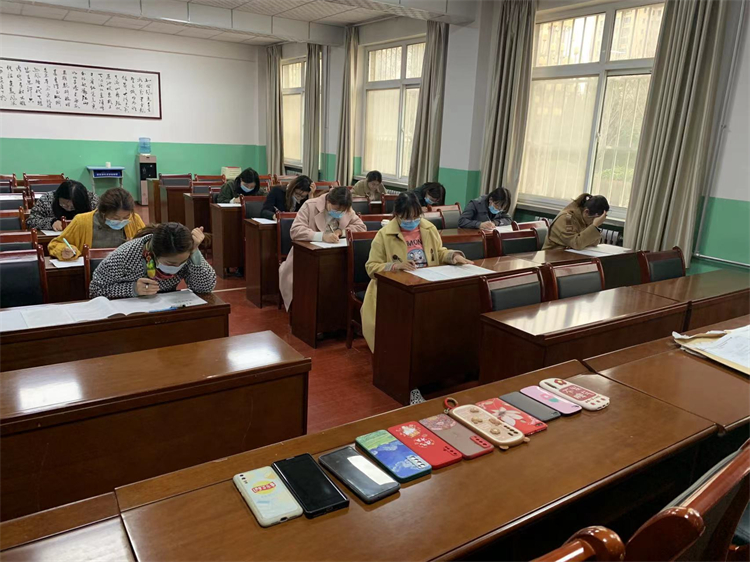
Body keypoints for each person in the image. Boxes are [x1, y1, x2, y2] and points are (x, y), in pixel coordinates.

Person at [361, 192, 471, 358]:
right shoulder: (383, 235)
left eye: (416, 217)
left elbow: (439, 251)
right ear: (397, 215)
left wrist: (453, 256)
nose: (412, 221)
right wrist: (395, 266)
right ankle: (398, 357)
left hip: (427, 283)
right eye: (407, 218)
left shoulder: (428, 228)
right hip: (395, 287)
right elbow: (371, 267)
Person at [278, 186, 366, 310]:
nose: (339, 213)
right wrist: (322, 236)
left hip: (335, 257)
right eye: (336, 210)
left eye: (342, 211)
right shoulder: (310, 206)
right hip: (306, 256)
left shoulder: (346, 208)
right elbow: (296, 230)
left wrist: (341, 232)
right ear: (328, 201)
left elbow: (361, 228)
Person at [90, 222, 216, 298]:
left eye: (182, 262)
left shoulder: (185, 253)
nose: (177, 266)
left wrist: (194, 252)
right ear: (154, 254)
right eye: (171, 263)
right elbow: (96, 289)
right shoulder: (125, 255)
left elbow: (205, 288)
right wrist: (133, 289)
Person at [48, 187, 145, 260]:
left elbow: (149, 243)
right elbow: (55, 244)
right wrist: (65, 250)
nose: (121, 221)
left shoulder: (134, 219)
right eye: (115, 218)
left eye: (126, 217)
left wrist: (138, 246)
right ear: (102, 212)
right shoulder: (81, 221)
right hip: (90, 271)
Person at [543, 193, 609, 250]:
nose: (593, 222)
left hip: (569, 256)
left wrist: (594, 227)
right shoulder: (566, 218)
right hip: (552, 255)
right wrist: (594, 226)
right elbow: (576, 244)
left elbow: (594, 242)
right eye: (594, 219)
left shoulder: (584, 218)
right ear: (586, 212)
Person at [27, 180, 98, 232]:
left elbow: (101, 221)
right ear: (58, 197)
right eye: (64, 204)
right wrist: (51, 222)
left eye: (73, 207)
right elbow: (31, 221)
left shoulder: (92, 200)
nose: (68, 209)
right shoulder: (48, 199)